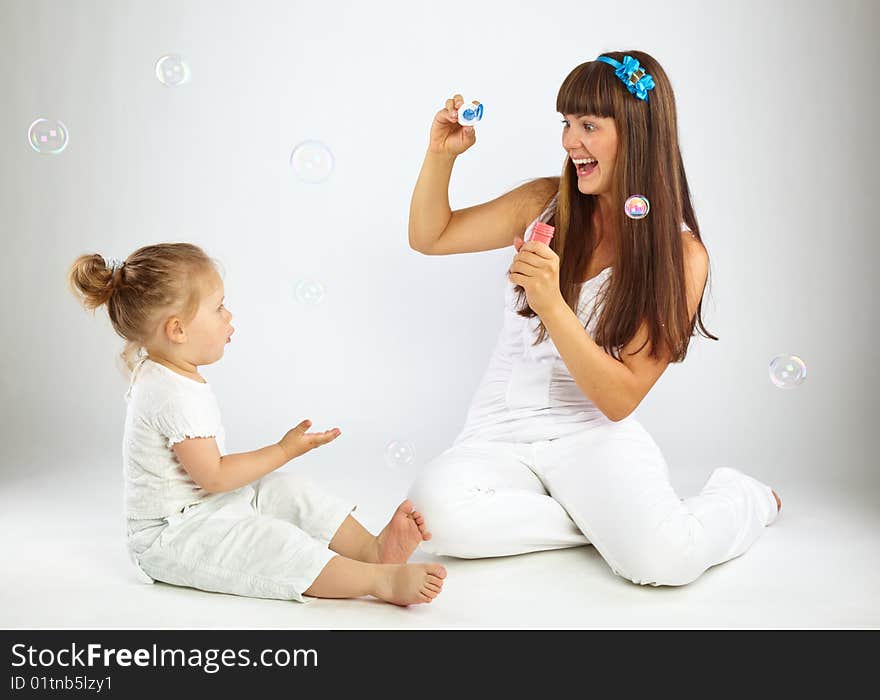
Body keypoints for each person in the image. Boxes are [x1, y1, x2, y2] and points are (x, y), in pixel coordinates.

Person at [405, 51, 781, 586]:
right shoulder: (544, 202)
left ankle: (745, 498)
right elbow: (430, 237)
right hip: (500, 431)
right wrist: (440, 156)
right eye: (565, 123)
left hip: (593, 436)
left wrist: (552, 303)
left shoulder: (681, 256)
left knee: (664, 563)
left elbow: (619, 397)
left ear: (636, 132)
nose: (568, 141)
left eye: (588, 126)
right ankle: (604, 522)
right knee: (433, 518)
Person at [69, 243, 446, 605]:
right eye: (218, 308)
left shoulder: (165, 371)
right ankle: (379, 581)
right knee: (268, 544)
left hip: (206, 507)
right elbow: (213, 476)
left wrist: (278, 463)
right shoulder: (171, 393)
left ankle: (373, 550)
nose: (229, 316)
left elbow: (213, 485)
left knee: (286, 491)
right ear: (178, 330)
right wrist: (283, 450)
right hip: (172, 535)